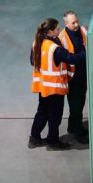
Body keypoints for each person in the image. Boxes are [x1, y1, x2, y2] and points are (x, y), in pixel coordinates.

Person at [29, 18, 86, 151]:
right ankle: (53, 142)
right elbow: (73, 59)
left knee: (42, 112)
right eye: (57, 29)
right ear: (50, 32)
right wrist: (85, 51)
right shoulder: (55, 49)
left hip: (43, 86)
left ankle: (34, 139)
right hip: (54, 88)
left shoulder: (36, 43)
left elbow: (33, 61)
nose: (59, 31)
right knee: (55, 116)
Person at [59, 10, 89, 144]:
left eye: (77, 21)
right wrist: (84, 55)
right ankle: (78, 132)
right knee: (76, 106)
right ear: (66, 24)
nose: (76, 24)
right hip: (72, 78)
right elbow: (69, 58)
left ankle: (72, 126)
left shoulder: (83, 30)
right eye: (73, 23)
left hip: (83, 75)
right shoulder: (62, 38)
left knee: (80, 102)